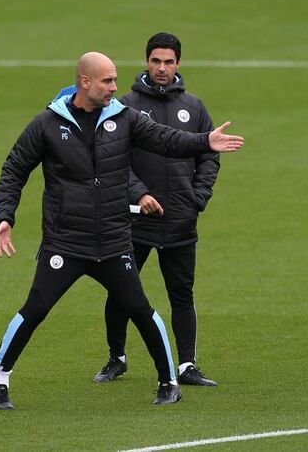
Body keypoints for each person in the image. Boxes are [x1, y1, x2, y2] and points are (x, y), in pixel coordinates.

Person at [0, 51, 243, 410]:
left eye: (115, 80)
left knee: (141, 310)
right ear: (85, 82)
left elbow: (166, 139)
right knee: (36, 309)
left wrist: (204, 142)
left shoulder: (124, 119)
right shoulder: (47, 124)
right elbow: (15, 168)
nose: (115, 88)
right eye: (107, 81)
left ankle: (169, 382)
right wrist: (5, 216)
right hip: (66, 242)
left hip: (113, 240)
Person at [89, 33, 220, 387]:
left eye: (169, 62)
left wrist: (198, 196)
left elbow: (209, 153)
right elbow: (114, 159)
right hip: (133, 219)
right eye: (156, 61)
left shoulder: (194, 107)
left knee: (182, 294)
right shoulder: (124, 105)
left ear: (178, 64)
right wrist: (139, 193)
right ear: (146, 61)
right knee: (120, 291)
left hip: (180, 219)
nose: (162, 68)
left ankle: (187, 366)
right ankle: (117, 358)